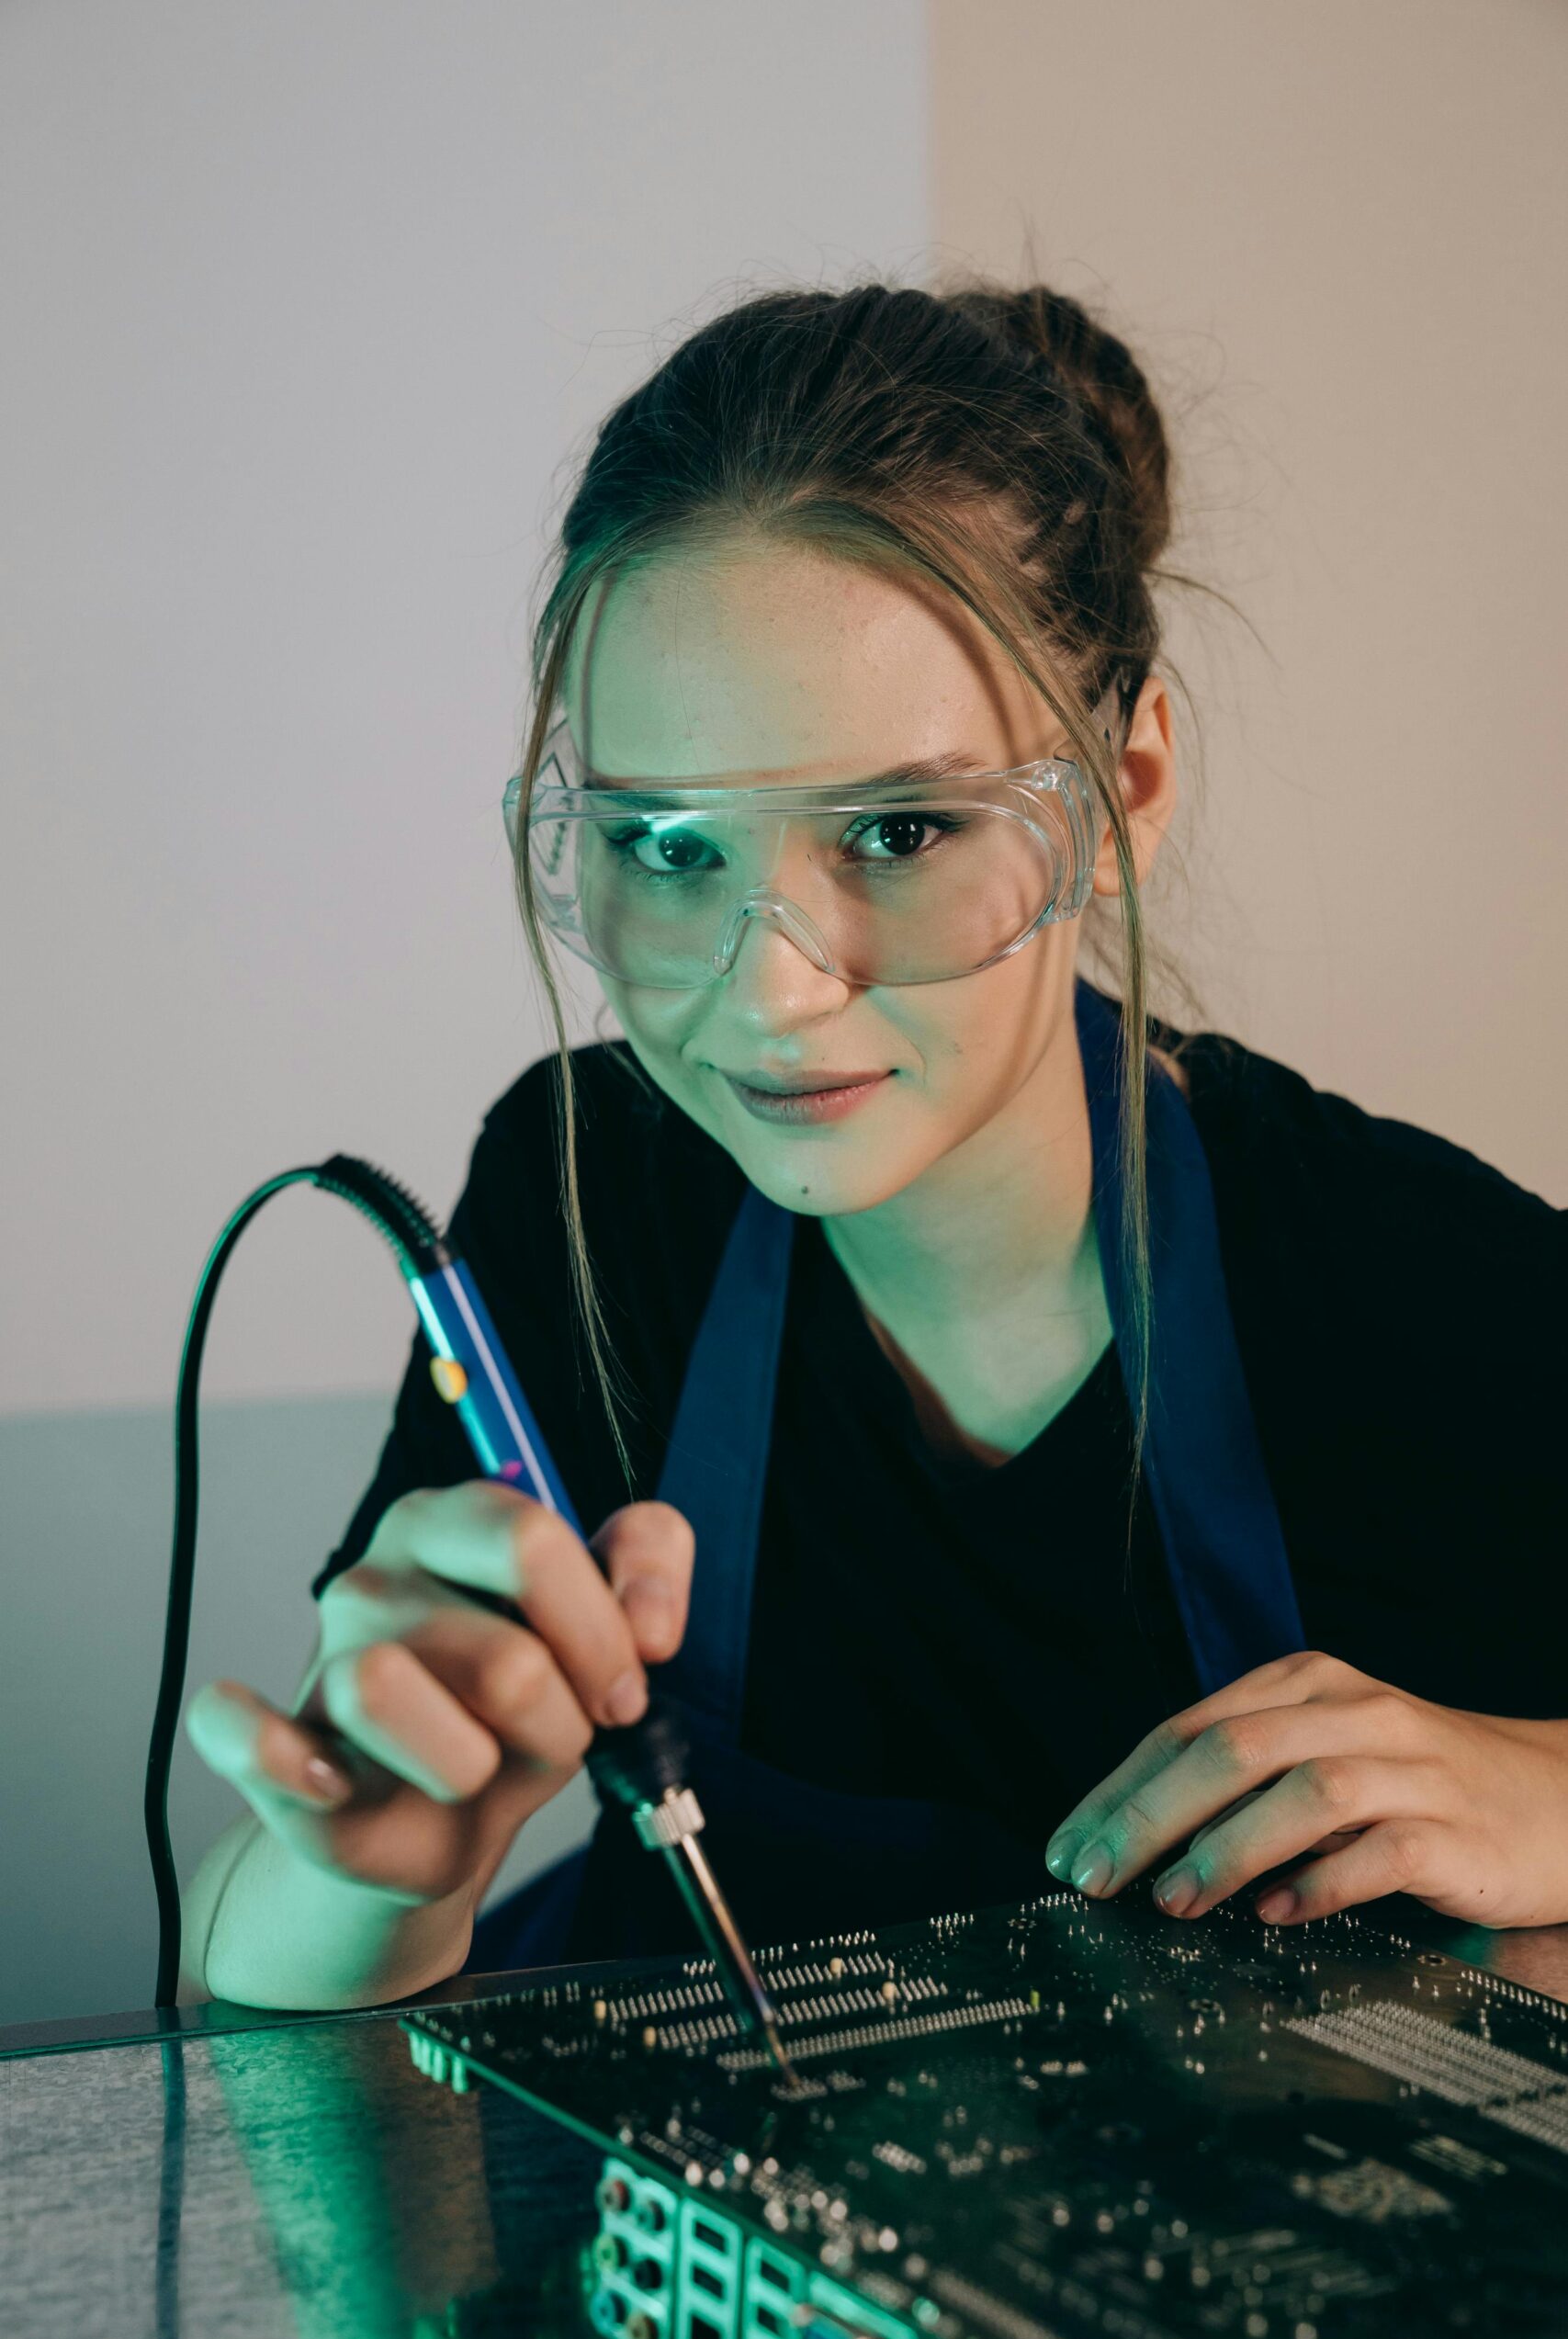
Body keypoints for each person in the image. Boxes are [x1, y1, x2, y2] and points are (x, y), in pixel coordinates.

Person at [179, 278, 1568, 2015]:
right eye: (671, 844)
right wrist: (364, 1877)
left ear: (1121, 790)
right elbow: (251, 1981)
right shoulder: (587, 1190)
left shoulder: (1421, 1283)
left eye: (899, 829)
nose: (771, 993)